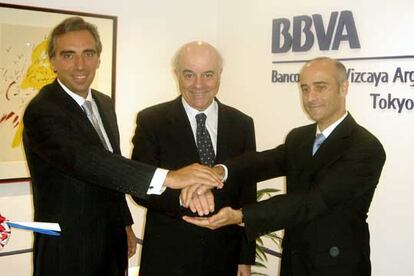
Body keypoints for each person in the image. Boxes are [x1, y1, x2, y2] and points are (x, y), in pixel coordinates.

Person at [23, 17, 222, 276]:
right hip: (68, 251)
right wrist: (169, 177)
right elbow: (87, 161)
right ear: (53, 62)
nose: (80, 64)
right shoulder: (42, 110)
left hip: (111, 244)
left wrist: (125, 222)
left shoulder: (103, 104)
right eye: (68, 55)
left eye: (88, 54)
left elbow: (112, 167)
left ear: (98, 60)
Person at [184, 57, 386, 276]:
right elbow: (262, 162)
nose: (310, 98)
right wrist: (218, 172)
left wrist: (241, 215)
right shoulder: (300, 137)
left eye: (320, 87)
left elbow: (311, 201)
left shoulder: (365, 148)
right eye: (305, 89)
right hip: (294, 262)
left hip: (337, 266)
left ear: (343, 87)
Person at [131, 41, 256, 276]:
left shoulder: (242, 124)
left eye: (208, 74)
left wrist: (245, 258)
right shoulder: (151, 121)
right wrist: (181, 198)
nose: (199, 84)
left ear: (220, 74)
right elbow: (140, 186)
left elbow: (247, 194)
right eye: (189, 75)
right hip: (168, 257)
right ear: (177, 74)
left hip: (224, 256)